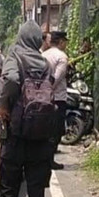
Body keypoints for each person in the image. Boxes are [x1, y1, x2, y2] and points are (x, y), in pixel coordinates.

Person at [0, 20, 54, 197]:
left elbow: (10, 81)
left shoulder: (15, 57)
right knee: (37, 187)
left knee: (9, 186)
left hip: (16, 134)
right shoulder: (44, 61)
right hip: (41, 134)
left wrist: (3, 105)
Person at [42, 31, 69, 170]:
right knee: (56, 130)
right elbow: (56, 79)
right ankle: (50, 160)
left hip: (42, 98)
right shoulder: (62, 57)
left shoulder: (43, 55)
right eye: (65, 42)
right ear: (61, 42)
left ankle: (45, 158)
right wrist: (49, 89)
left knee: (46, 129)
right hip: (57, 98)